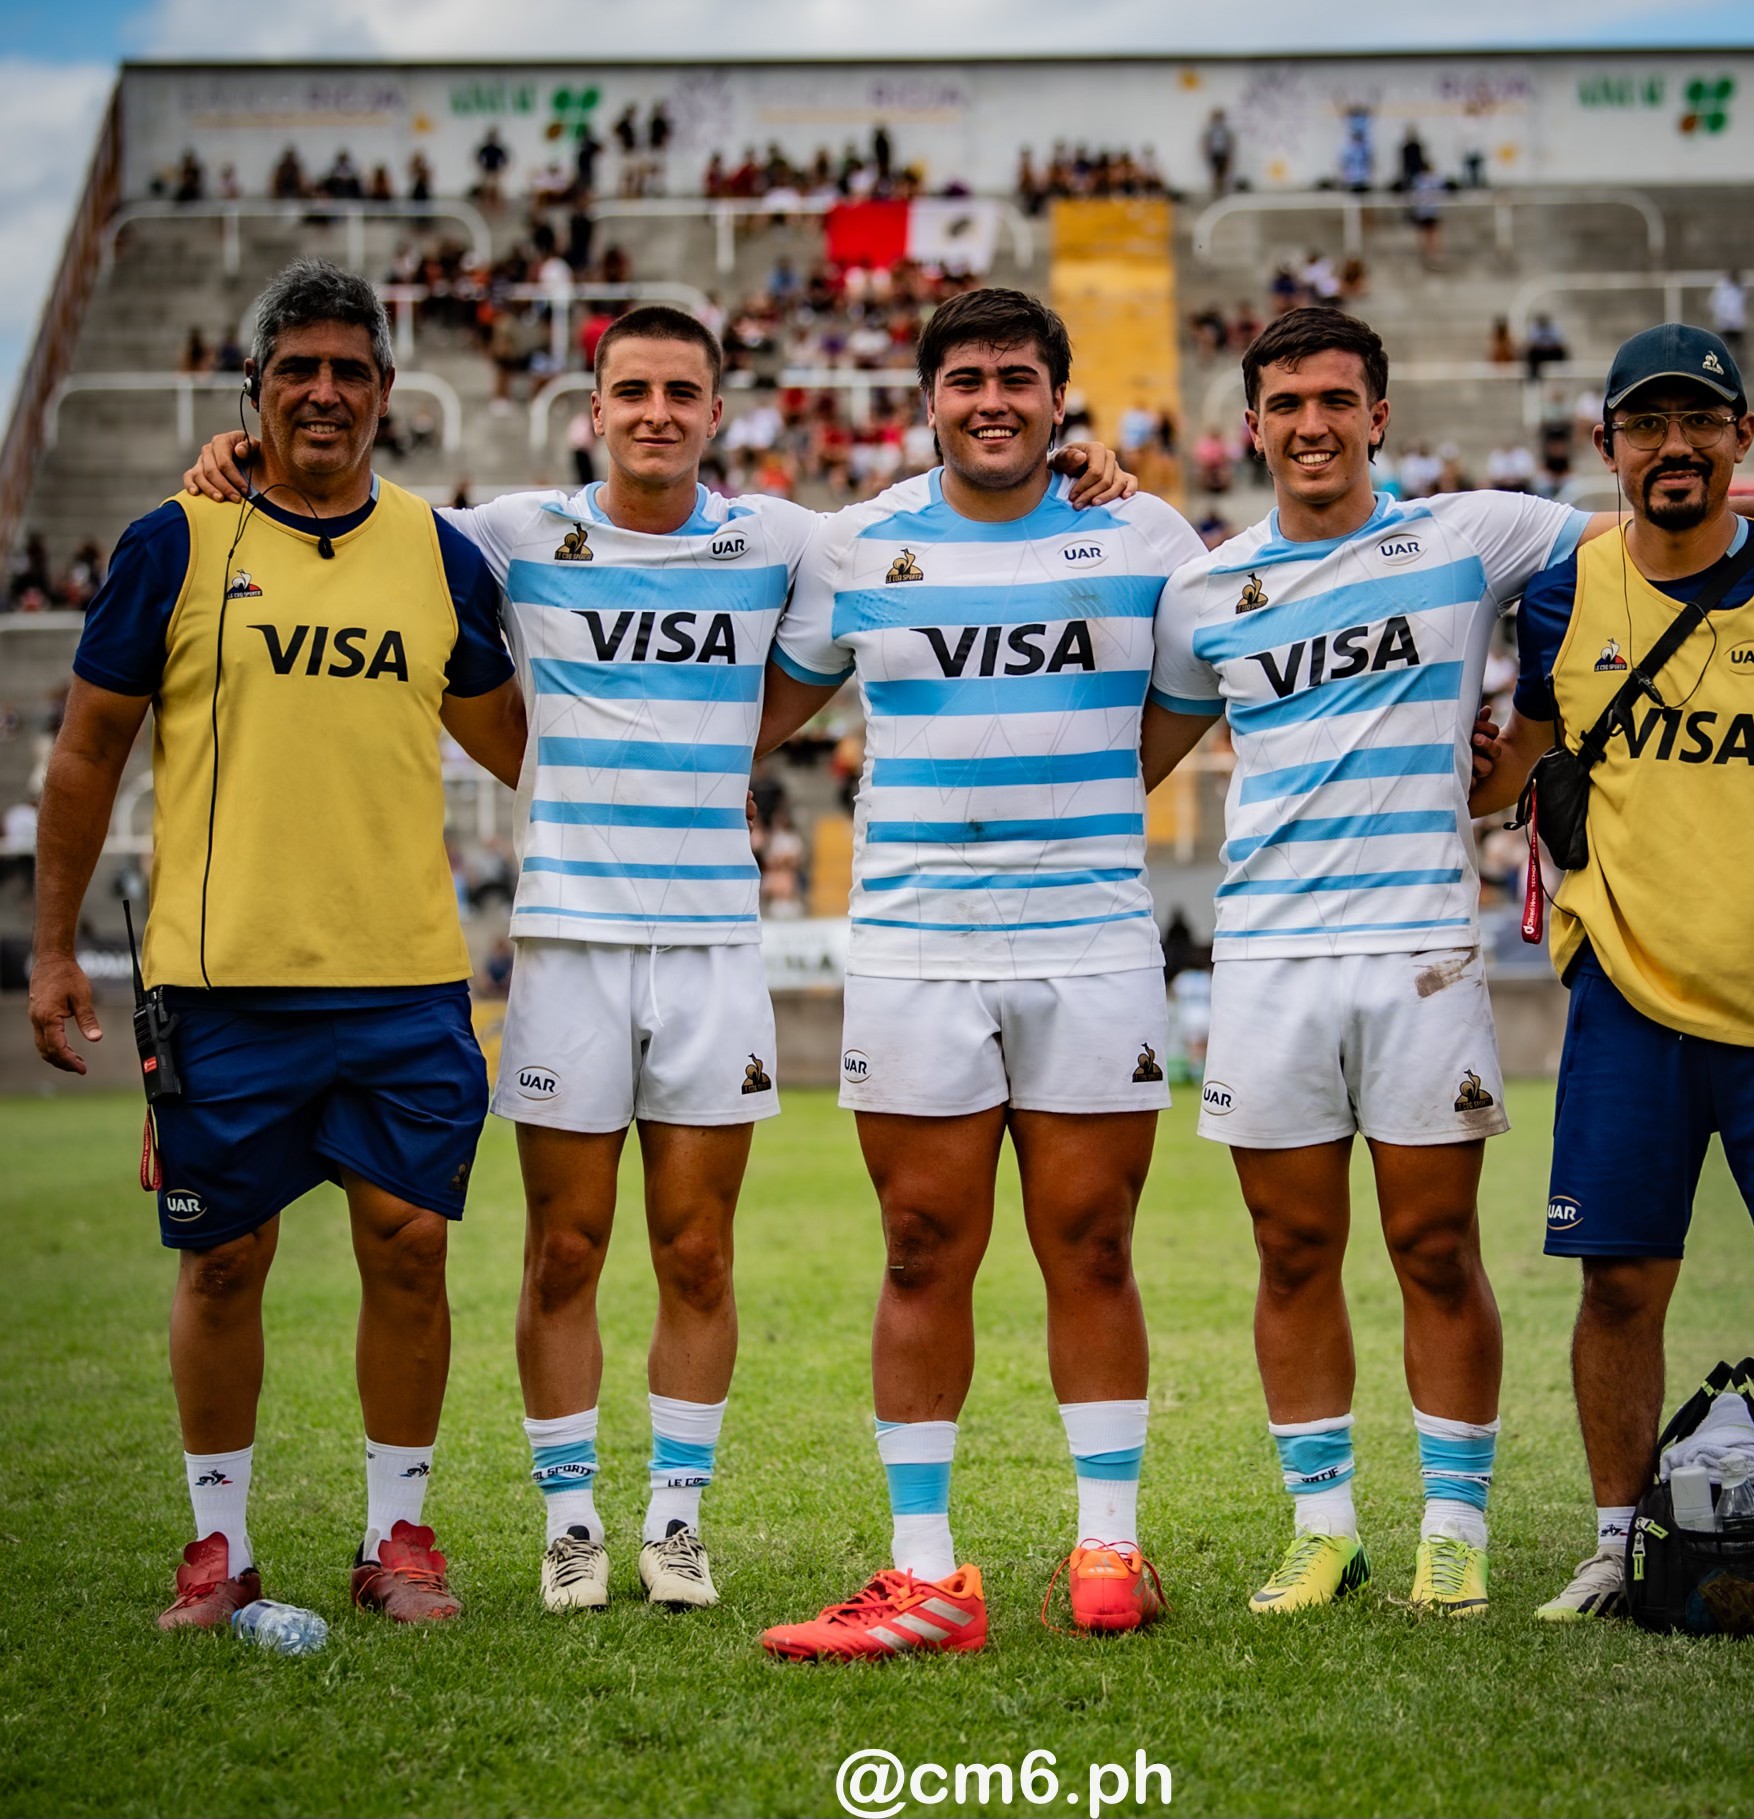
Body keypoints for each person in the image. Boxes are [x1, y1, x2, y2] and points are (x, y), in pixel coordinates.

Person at [182, 304, 1136, 1617]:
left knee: (698, 1249)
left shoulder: (788, 539)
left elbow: (943, 514)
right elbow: (346, 510)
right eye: (631, 389)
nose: (656, 412)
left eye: (682, 390)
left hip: (712, 943)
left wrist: (1094, 469)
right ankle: (571, 1520)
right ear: (593, 407)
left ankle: (673, 1520)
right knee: (563, 1248)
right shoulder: (509, 535)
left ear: (715, 409)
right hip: (567, 944)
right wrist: (238, 466)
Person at [1138, 306, 1754, 1622]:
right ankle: (1324, 1528)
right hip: (1266, 958)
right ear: (1249, 426)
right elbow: (1138, 745)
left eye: (1335, 399)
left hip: (1424, 946)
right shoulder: (1203, 590)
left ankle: (1453, 1527)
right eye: (1285, 403)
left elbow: (1665, 499)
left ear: (1379, 415)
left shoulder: (1470, 536)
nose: (1311, 424)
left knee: (1436, 1246)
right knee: (1291, 1248)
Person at [30, 257, 526, 1632]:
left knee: (411, 1245)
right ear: (252, 391)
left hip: (406, 979)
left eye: (350, 370)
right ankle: (219, 1546)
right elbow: (85, 751)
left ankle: (398, 1533)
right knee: (223, 1261)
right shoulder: (173, 543)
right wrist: (54, 948)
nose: (324, 390)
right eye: (297, 367)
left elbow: (517, 738)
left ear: (384, 398)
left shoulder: (440, 553)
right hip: (219, 985)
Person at [752, 288, 1206, 1657]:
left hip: (1095, 946)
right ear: (928, 396)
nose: (992, 398)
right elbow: (771, 700)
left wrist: (1086, 821)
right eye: (966, 378)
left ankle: (1108, 1545)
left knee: (1096, 1241)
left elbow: (1183, 705)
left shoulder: (1145, 531)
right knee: (920, 1245)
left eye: (1018, 375)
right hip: (915, 945)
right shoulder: (857, 543)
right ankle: (928, 1575)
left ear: (1062, 397)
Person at [1466, 323, 1754, 1634]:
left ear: (1742, 439)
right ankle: (1616, 1547)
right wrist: (1471, 766)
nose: (1673, 447)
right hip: (1627, 999)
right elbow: (1522, 769)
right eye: (1645, 425)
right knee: (1617, 1282)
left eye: (1699, 423)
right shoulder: (1562, 591)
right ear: (1608, 444)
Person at [1710, 269, 1748, 365]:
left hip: (1737, 325)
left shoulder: (1741, 287)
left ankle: (1739, 366)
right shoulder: (1721, 287)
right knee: (1723, 347)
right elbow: (1713, 303)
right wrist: (1724, 316)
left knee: (1738, 348)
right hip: (1724, 324)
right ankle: (1722, 364)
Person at [1204, 109, 1236, 196]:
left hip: (1223, 153)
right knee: (1216, 173)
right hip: (1214, 153)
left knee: (1223, 173)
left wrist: (1230, 154)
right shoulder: (1211, 130)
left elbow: (1230, 141)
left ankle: (1223, 191)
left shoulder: (1225, 129)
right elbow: (1207, 141)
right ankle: (1216, 191)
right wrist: (1206, 152)